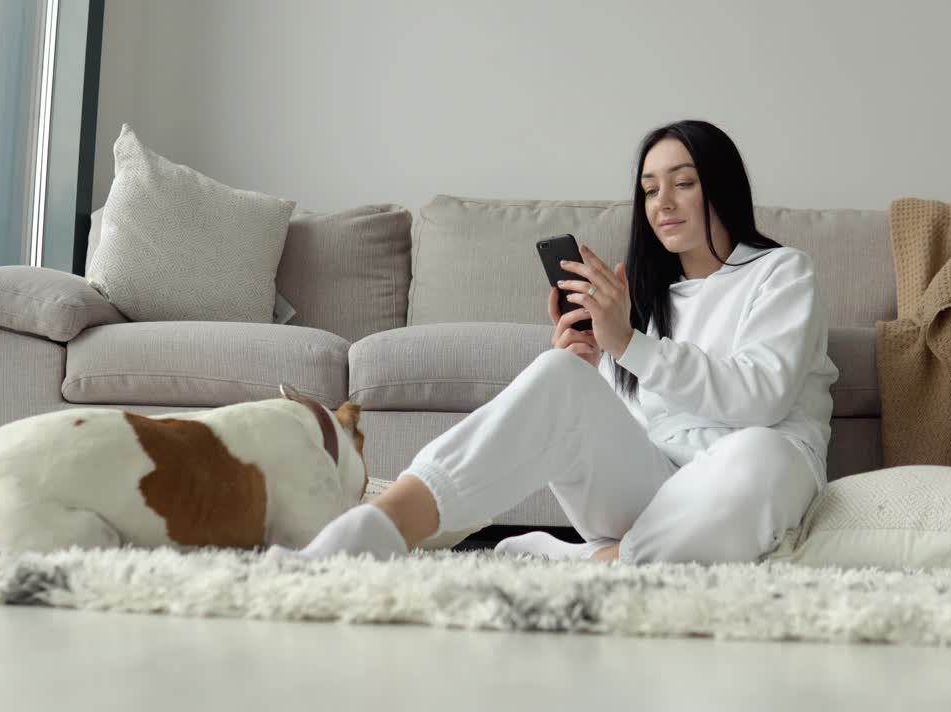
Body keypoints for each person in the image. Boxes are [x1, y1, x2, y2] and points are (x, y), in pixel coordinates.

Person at [280, 120, 838, 565]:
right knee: (558, 371)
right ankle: (378, 526)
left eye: (683, 183)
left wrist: (629, 344)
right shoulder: (643, 301)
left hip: (739, 485)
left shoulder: (782, 272)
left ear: (722, 186)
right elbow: (632, 429)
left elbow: (762, 399)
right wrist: (592, 367)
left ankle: (599, 561)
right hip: (649, 489)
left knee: (763, 452)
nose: (662, 202)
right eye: (650, 190)